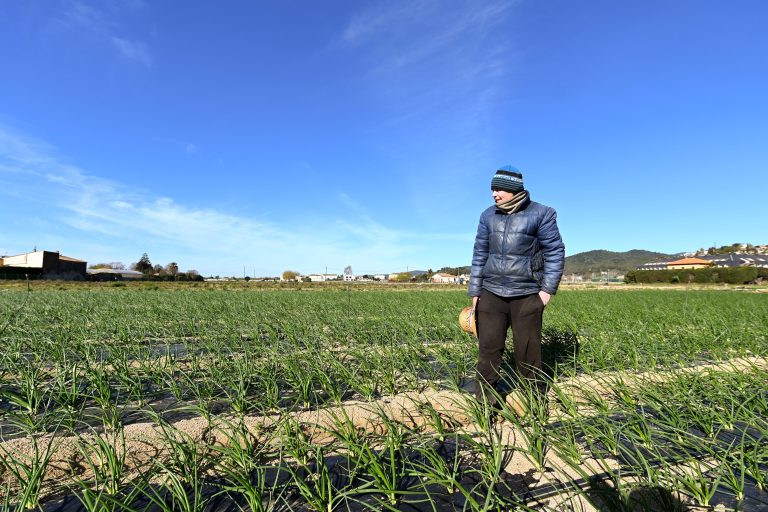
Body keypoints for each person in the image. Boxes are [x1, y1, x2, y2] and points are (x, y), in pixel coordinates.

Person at [468, 165, 565, 407]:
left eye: (499, 189)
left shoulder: (542, 213)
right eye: (492, 189)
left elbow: (555, 252)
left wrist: (546, 291)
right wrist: (475, 291)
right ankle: (485, 404)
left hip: (527, 293)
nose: (494, 194)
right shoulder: (487, 215)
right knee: (488, 350)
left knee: (528, 353)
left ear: (514, 189)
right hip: (491, 293)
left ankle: (535, 402)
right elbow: (479, 254)